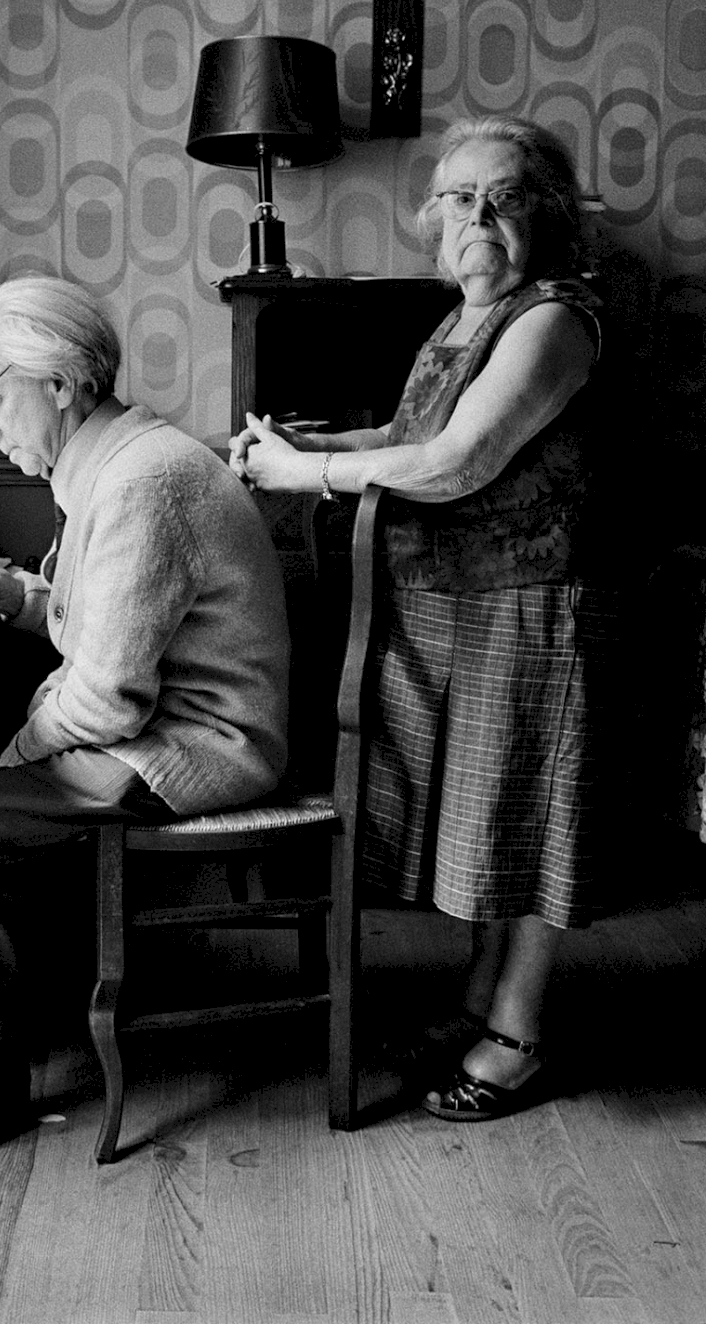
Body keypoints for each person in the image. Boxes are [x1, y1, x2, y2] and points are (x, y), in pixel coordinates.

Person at [230, 115, 614, 1122]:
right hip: (445, 596)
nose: (478, 215)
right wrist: (315, 439)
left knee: (525, 813)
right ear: (433, 217)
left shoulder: (555, 316)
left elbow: (458, 462)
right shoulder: (460, 314)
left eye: (507, 195)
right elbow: (414, 436)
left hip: (528, 599)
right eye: (458, 197)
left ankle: (519, 1031)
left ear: (549, 214)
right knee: (480, 811)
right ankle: (479, 998)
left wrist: (305, 470)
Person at [0, 275, 290, 1182]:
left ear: (60, 384)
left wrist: (14, 755)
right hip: (160, 724)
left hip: (194, 747)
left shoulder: (143, 480)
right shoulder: (114, 458)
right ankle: (18, 1020)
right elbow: (111, 619)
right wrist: (26, 598)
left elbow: (106, 700)